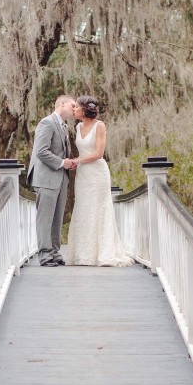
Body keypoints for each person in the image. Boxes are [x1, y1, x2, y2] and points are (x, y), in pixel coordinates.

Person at [65, 96, 133, 267]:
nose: (73, 110)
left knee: (99, 210)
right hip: (83, 175)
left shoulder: (99, 126)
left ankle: (103, 254)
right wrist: (77, 163)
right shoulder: (78, 126)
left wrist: (77, 161)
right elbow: (83, 152)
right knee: (83, 209)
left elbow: (98, 154)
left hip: (97, 173)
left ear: (84, 109)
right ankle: (83, 255)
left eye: (76, 107)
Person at [27, 95, 77, 267]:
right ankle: (45, 255)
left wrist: (68, 164)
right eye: (73, 105)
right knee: (45, 218)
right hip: (46, 177)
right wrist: (62, 162)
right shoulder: (46, 123)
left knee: (57, 218)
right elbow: (41, 151)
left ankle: (55, 252)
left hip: (61, 177)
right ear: (61, 104)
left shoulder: (63, 126)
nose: (74, 109)